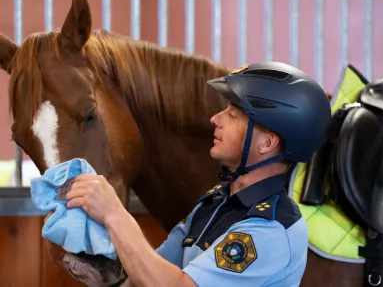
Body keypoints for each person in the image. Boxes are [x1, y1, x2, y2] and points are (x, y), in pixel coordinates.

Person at [56, 62, 332, 287]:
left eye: (234, 114)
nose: (216, 118)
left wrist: (113, 214)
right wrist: (107, 273)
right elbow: (153, 273)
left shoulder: (270, 230)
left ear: (267, 143)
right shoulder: (214, 204)